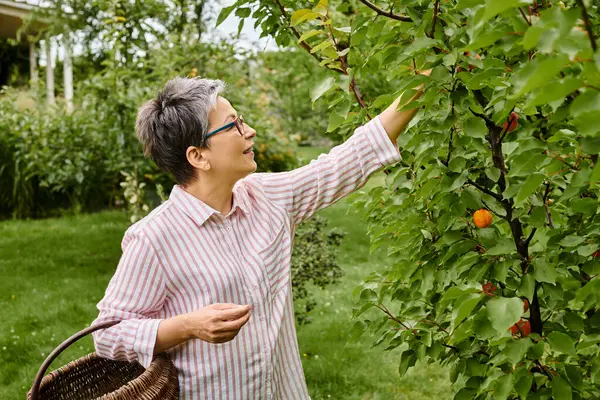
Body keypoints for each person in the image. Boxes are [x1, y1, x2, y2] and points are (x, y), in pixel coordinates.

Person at [92, 73, 429, 400]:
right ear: (198, 156)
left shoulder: (267, 197)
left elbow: (346, 161)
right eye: (233, 125)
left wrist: (425, 78)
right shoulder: (154, 238)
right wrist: (188, 325)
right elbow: (107, 334)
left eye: (243, 121)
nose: (249, 131)